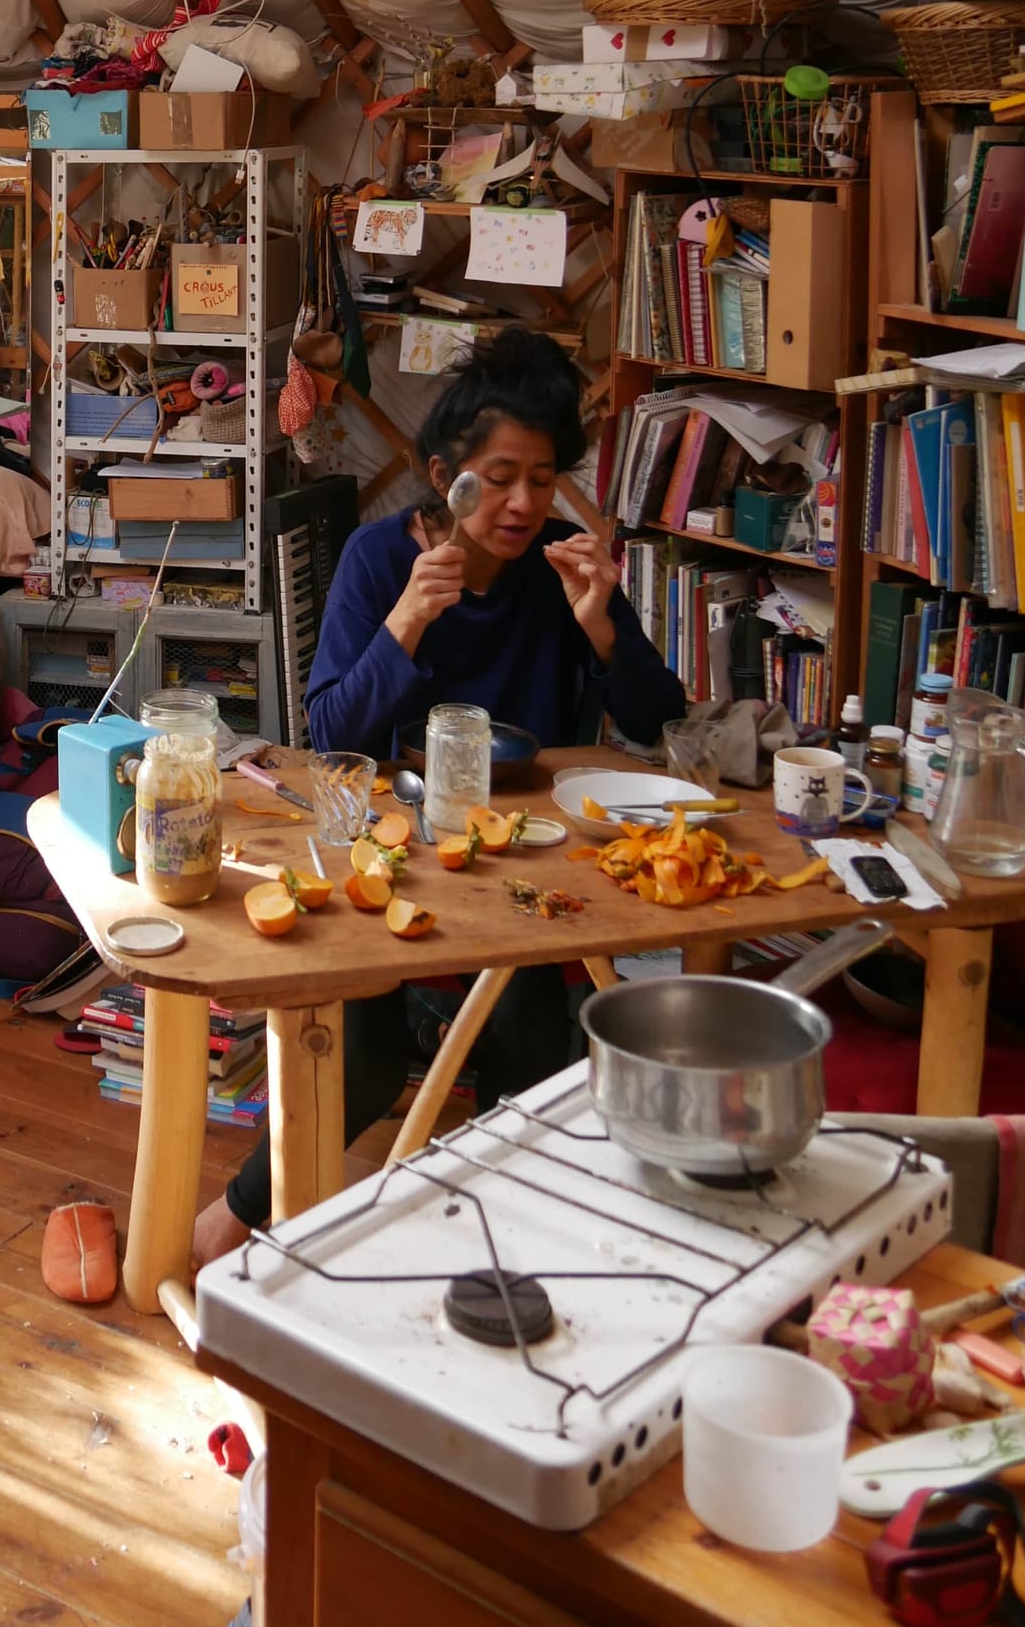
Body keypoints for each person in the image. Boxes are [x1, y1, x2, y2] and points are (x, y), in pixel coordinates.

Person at [192, 327, 685, 1270]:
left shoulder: (560, 567)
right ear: (440, 475)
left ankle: (490, 1243)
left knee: (531, 1037)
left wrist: (603, 629)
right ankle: (235, 1215)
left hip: (525, 859)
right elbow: (331, 730)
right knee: (362, 1054)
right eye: (496, 478)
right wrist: (408, 619)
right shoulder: (382, 560)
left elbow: (660, 718)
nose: (522, 503)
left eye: (541, 479)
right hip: (393, 852)